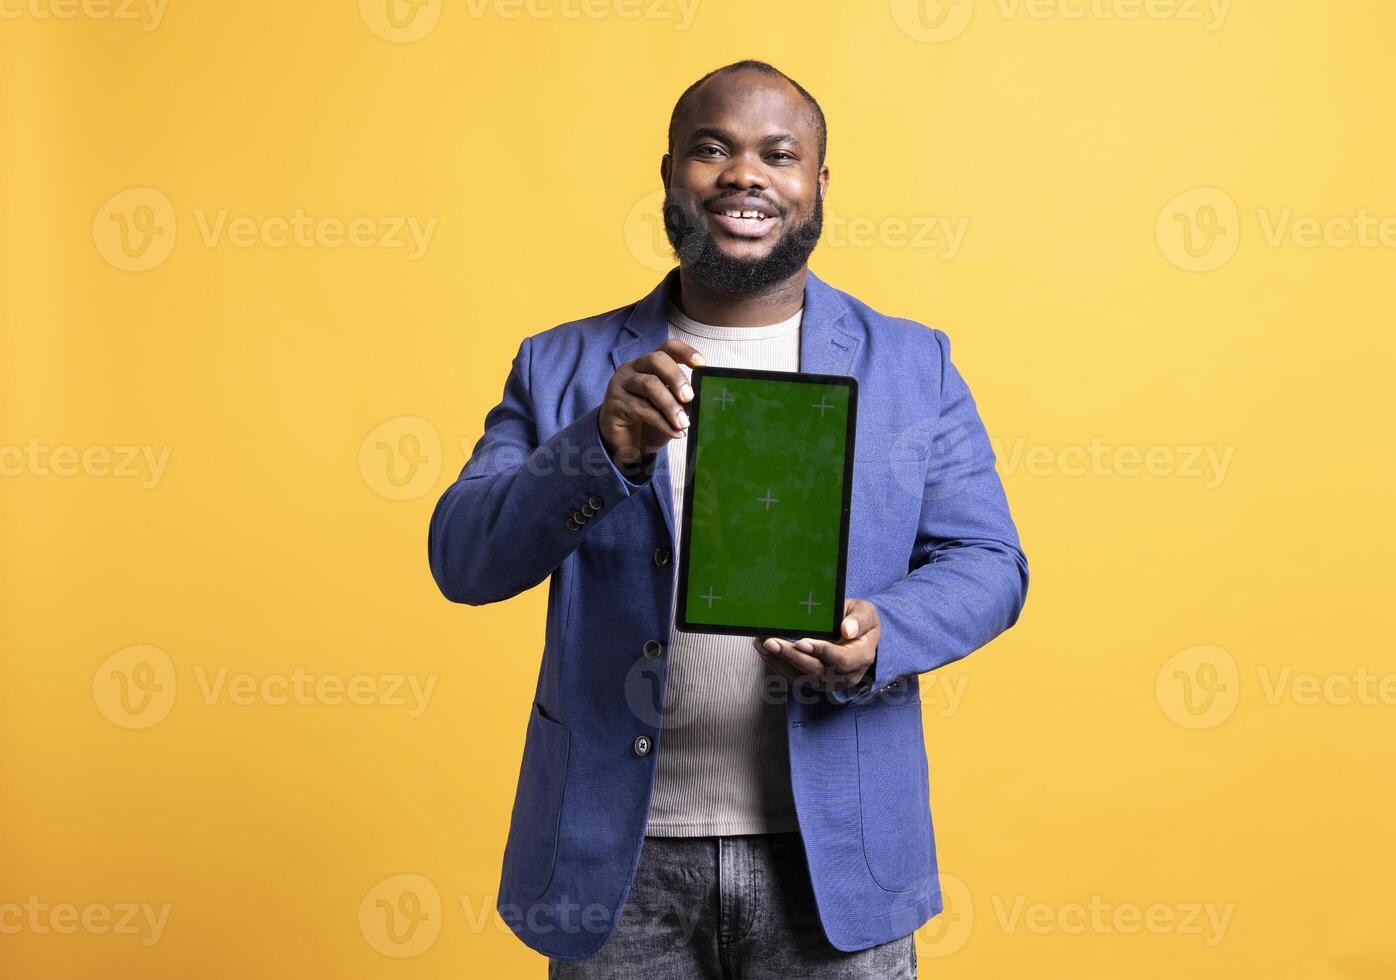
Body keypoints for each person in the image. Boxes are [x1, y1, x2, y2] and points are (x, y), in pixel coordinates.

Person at [427, 59, 1028, 979]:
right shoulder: (562, 364)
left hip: (833, 858)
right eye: (713, 149)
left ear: (817, 184)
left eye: (777, 154)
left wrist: (882, 635)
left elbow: (989, 561)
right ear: (669, 174)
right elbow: (464, 559)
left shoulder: (914, 364)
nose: (744, 174)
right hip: (617, 865)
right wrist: (602, 446)